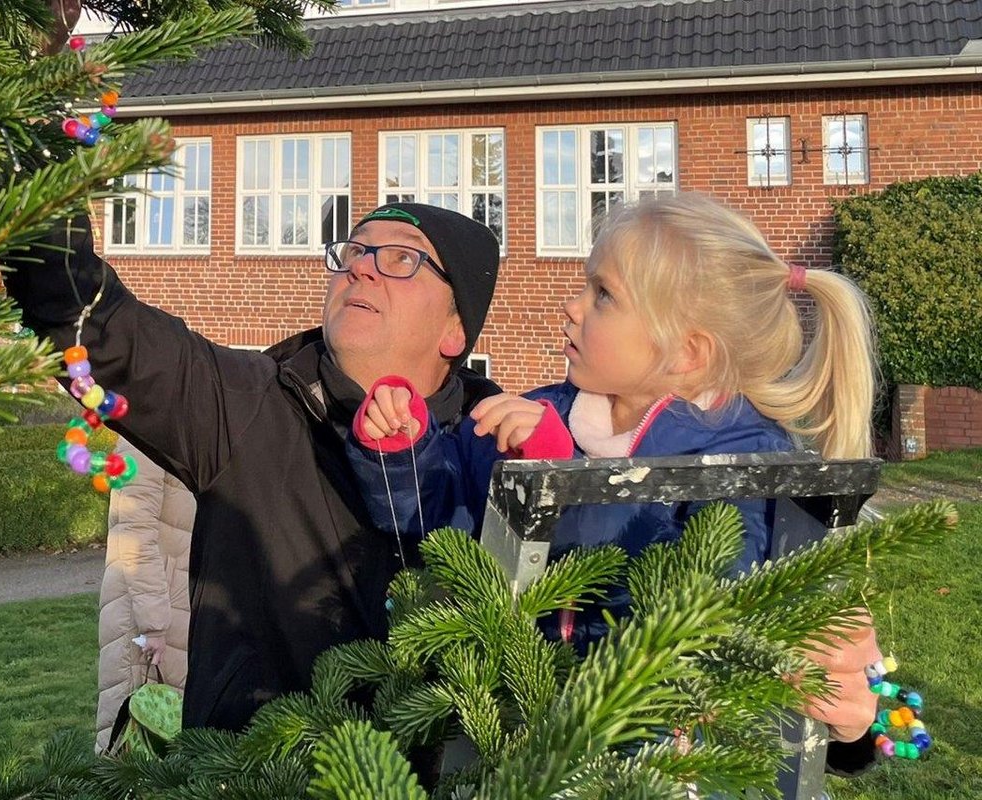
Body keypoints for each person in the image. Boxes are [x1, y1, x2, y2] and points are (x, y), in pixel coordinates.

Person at [346, 193, 882, 763]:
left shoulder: (748, 469)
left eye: (603, 294)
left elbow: (715, 630)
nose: (572, 305)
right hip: (516, 743)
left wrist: (563, 479)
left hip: (656, 765)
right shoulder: (539, 416)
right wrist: (405, 449)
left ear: (686, 354)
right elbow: (437, 522)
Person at [0, 202, 501, 731]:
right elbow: (96, 328)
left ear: (454, 330)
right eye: (355, 249)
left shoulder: (499, 453)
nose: (360, 265)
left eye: (402, 257)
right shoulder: (249, 407)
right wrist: (37, 178)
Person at [96, 436, 196, 753]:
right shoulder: (141, 438)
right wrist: (153, 624)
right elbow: (133, 530)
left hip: (177, 606)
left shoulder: (182, 428)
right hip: (146, 617)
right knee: (132, 737)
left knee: (172, 731)